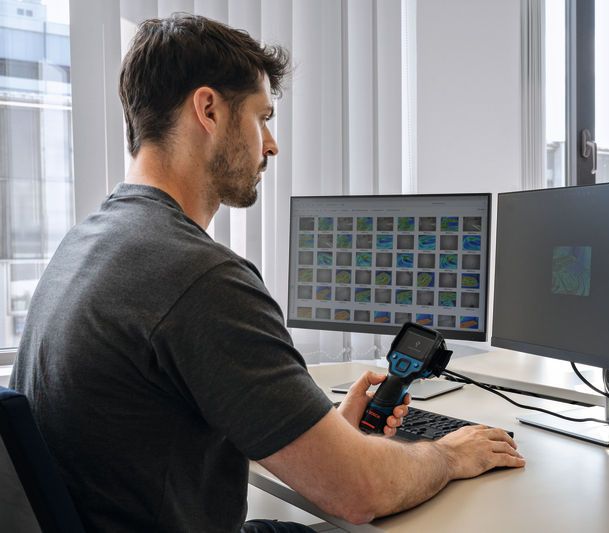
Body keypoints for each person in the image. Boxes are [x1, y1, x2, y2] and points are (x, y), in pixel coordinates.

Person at [10, 13, 525, 533]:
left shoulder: (87, 243)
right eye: (262, 118)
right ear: (208, 109)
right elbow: (358, 492)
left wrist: (321, 437)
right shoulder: (200, 277)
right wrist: (450, 455)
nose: (271, 144)